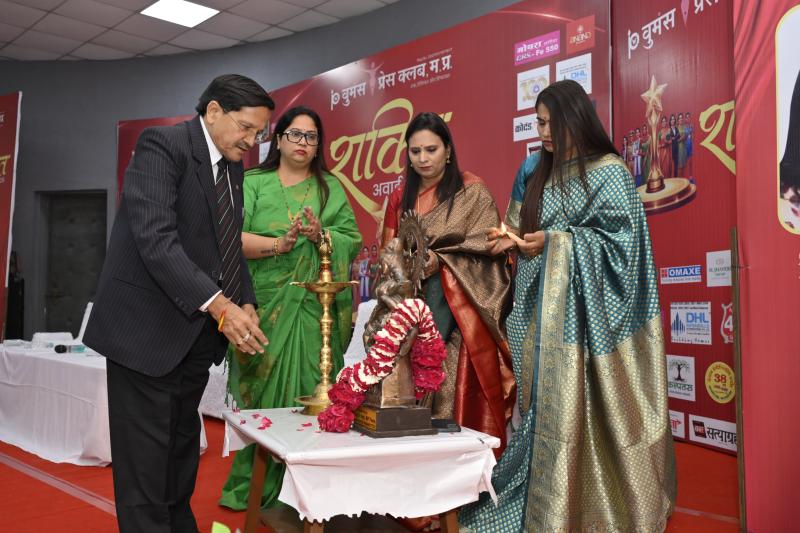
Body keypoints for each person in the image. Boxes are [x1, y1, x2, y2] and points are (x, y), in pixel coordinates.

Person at [461, 80, 676, 532]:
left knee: (593, 415)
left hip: (593, 325)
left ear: (574, 120)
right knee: (545, 416)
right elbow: (516, 228)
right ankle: (544, 503)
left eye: (549, 123)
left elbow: (625, 248)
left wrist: (557, 243)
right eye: (538, 122)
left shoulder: (610, 171)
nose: (542, 132)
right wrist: (509, 240)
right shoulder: (534, 169)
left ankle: (595, 509)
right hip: (539, 317)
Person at [84, 74, 273, 532]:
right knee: (145, 468)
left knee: (180, 453)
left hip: (192, 339)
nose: (252, 142)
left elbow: (226, 245)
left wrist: (244, 301)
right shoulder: (162, 146)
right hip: (143, 333)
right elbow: (156, 239)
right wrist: (220, 306)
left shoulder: (230, 166)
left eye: (259, 133)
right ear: (214, 111)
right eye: (246, 128)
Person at [219, 105, 361, 510]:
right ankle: (258, 486)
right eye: (295, 134)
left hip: (314, 311)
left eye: (311, 137)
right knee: (264, 401)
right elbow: (230, 239)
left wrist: (320, 236)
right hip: (260, 304)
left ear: (319, 145)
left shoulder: (330, 187)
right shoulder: (252, 182)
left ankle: (310, 491)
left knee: (315, 393)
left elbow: (350, 238)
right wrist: (279, 245)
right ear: (278, 140)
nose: (302, 143)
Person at [382, 112, 515, 453]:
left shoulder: (472, 191)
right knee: (407, 399)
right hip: (411, 314)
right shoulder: (400, 198)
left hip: (459, 318)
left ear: (448, 151)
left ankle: (460, 475)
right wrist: (409, 266)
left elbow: (491, 250)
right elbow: (388, 257)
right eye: (415, 151)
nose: (423, 159)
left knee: (450, 398)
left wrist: (441, 261)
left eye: (431, 150)